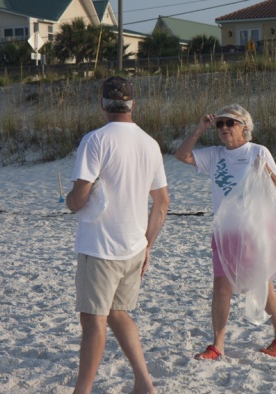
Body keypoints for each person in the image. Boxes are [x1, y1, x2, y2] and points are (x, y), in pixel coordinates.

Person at [66, 76, 169, 393]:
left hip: (100, 247)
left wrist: (71, 200)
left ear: (102, 104)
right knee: (118, 313)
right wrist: (148, 245)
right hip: (134, 246)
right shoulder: (149, 143)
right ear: (132, 104)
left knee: (93, 321)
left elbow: (78, 200)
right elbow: (162, 201)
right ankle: (143, 382)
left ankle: (81, 391)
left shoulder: (95, 140)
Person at [175, 103, 276, 360]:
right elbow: (182, 156)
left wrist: (266, 171)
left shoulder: (257, 152)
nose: (224, 128)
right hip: (224, 232)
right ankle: (218, 345)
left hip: (254, 229)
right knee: (221, 287)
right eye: (220, 124)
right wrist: (199, 129)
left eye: (230, 123)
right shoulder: (215, 155)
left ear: (244, 127)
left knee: (263, 285)